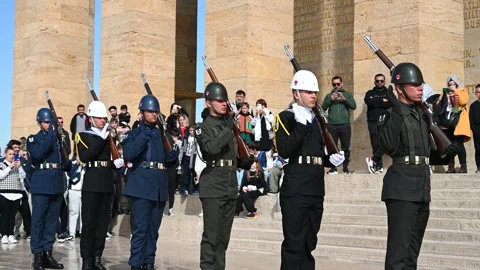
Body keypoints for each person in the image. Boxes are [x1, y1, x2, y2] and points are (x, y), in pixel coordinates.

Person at [377, 63, 457, 269]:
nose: (420, 88)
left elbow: (426, 151)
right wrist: (395, 108)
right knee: (398, 255)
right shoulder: (391, 114)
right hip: (402, 186)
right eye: (414, 84)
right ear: (399, 88)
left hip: (422, 185)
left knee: (412, 255)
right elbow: (387, 146)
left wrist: (446, 150)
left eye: (420, 84)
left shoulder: (421, 115)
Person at [275, 70, 344, 270]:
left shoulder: (318, 121)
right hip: (296, 188)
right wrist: (301, 125)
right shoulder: (286, 118)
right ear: (296, 93)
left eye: (315, 92)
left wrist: (330, 160)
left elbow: (315, 156)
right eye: (308, 91)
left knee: (308, 244)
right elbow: (285, 150)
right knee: (293, 245)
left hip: (315, 188)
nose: (314, 95)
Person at [195, 82, 249, 270]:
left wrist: (245, 161)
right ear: (208, 102)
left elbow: (232, 155)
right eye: (218, 100)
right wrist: (228, 128)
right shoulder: (203, 127)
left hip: (230, 185)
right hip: (213, 185)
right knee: (211, 237)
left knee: (223, 238)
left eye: (224, 100)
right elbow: (211, 149)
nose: (223, 104)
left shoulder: (229, 126)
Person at [123, 95, 178, 270]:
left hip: (159, 186)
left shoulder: (162, 135)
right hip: (141, 185)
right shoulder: (135, 133)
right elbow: (129, 154)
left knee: (153, 230)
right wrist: (143, 136)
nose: (154, 114)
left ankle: (149, 262)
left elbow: (168, 161)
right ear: (142, 113)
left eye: (156, 111)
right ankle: (135, 264)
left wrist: (172, 158)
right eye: (150, 111)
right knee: (140, 230)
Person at [75, 101, 124, 269]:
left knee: (102, 223)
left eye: (104, 118)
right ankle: (87, 260)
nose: (103, 121)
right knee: (89, 223)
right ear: (91, 118)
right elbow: (85, 157)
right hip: (91, 182)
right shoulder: (83, 135)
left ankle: (97, 257)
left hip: (106, 182)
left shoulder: (109, 136)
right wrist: (101, 138)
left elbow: (112, 155)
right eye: (100, 118)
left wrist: (116, 161)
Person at [28, 108, 70, 269]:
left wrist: (66, 163)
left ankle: (48, 253)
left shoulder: (57, 139)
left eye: (51, 122)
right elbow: (38, 154)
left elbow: (64, 159)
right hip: (41, 183)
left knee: (52, 222)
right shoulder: (34, 139)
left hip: (56, 182)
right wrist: (52, 137)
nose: (50, 125)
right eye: (47, 122)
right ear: (39, 123)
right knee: (38, 221)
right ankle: (37, 255)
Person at [434, 75, 471, 173]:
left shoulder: (462, 92)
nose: (451, 86)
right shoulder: (446, 94)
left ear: (457, 84)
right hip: (447, 123)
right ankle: (451, 166)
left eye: (453, 84)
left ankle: (463, 166)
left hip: (458, 123)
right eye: (449, 84)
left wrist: (455, 91)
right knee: (449, 145)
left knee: (459, 145)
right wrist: (443, 95)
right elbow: (438, 107)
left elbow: (463, 101)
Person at [321, 76, 357, 174]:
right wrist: (330, 100)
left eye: (338, 84)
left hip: (345, 124)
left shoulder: (347, 94)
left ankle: (345, 168)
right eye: (334, 84)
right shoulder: (329, 96)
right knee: (332, 147)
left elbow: (353, 106)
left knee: (345, 147)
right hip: (332, 125)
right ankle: (333, 168)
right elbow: (322, 108)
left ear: (342, 84)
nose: (336, 86)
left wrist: (345, 99)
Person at [364, 73, 392, 173]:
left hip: (385, 121)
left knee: (386, 142)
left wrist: (376, 102)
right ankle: (378, 166)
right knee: (375, 143)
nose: (379, 82)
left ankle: (373, 160)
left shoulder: (389, 92)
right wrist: (381, 100)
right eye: (377, 81)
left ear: (384, 81)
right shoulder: (369, 92)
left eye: (381, 81)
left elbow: (390, 103)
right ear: (374, 82)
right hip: (372, 122)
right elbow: (368, 101)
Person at [0, 146, 26, 244]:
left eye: (13, 154)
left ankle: (10, 234)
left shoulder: (18, 165)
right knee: (4, 215)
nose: (11, 156)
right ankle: (4, 235)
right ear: (5, 154)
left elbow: (23, 176)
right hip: (4, 193)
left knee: (12, 216)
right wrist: (10, 166)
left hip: (16, 193)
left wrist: (19, 167)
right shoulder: (1, 164)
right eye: (9, 154)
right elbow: (1, 175)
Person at [470, 84, 480, 173]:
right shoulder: (473, 105)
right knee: (478, 149)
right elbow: (471, 119)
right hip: (477, 130)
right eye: (478, 92)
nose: (479, 94)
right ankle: (479, 167)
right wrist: (474, 129)